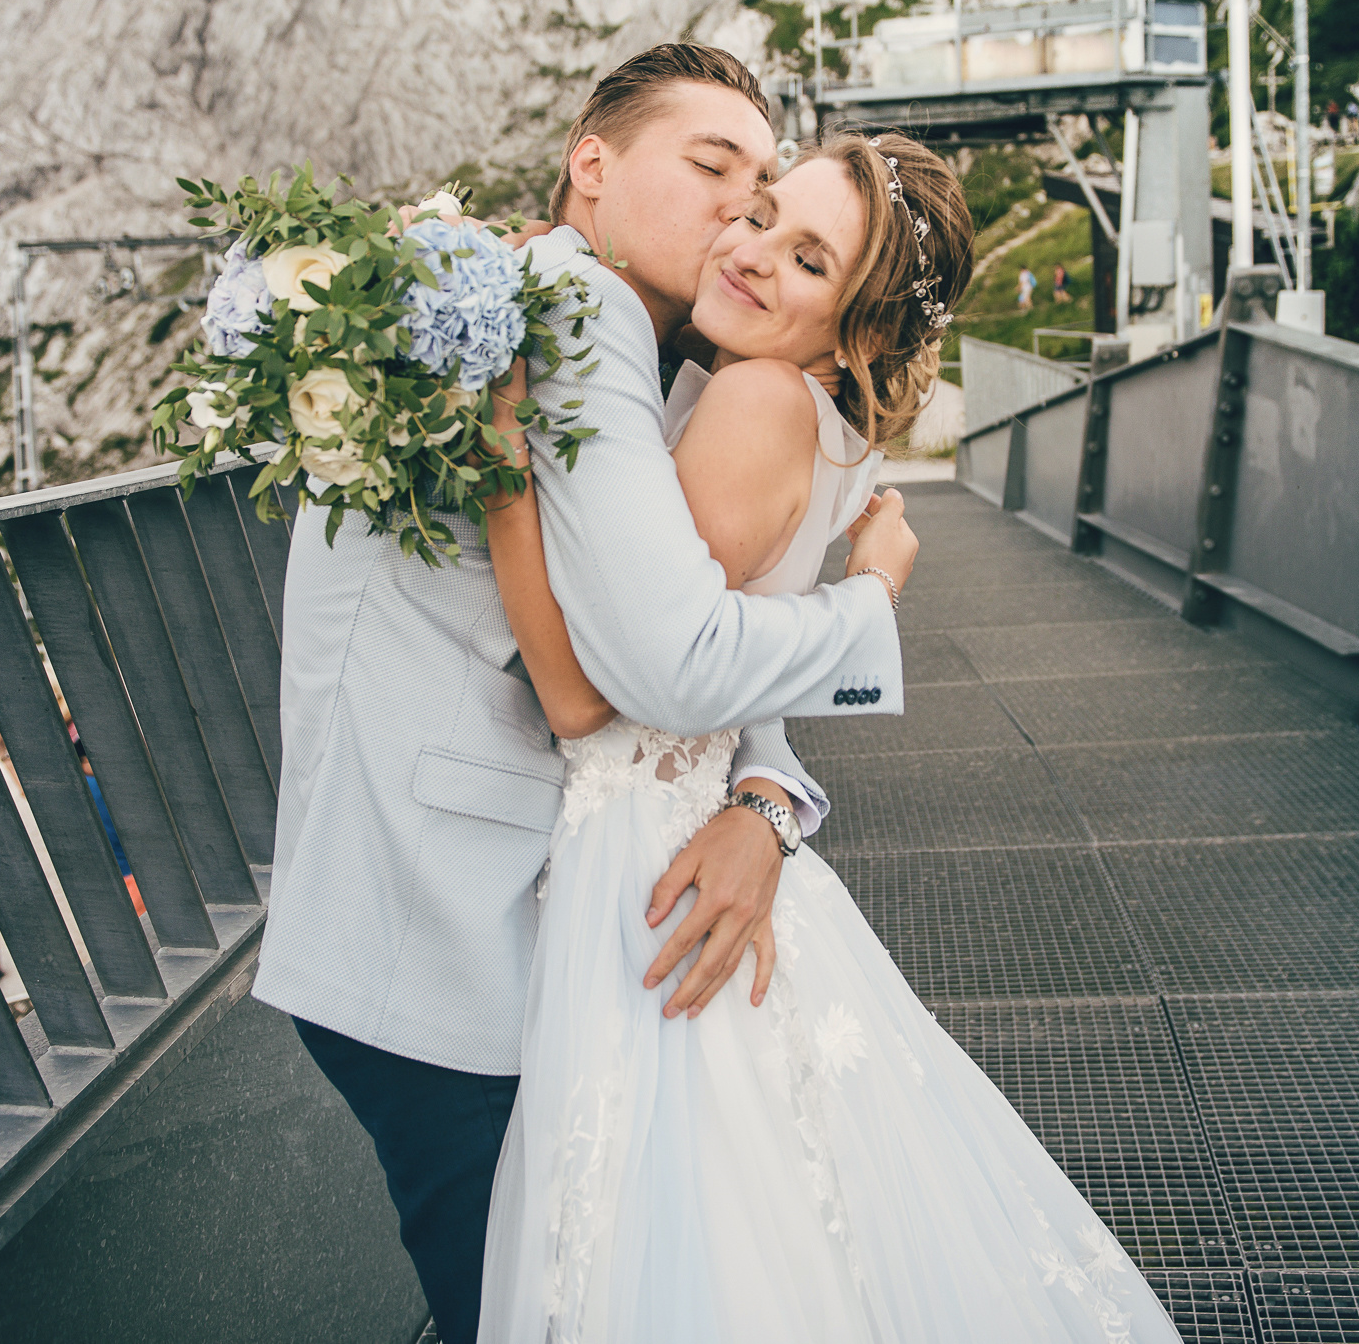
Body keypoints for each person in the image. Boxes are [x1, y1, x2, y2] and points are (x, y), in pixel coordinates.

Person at [254, 46, 913, 1344]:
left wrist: (770, 800)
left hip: (481, 915)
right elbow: (666, 664)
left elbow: (683, 620)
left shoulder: (631, 339)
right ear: (590, 168)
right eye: (716, 172)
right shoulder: (569, 309)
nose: (742, 216)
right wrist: (873, 603)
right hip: (441, 922)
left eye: (767, 194)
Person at [476, 131, 1177, 1341]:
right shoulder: (819, 416)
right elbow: (736, 645)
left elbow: (610, 684)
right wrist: (769, 792)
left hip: (642, 854)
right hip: (693, 826)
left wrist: (497, 454)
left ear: (855, 326)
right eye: (755, 216)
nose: (748, 253)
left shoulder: (750, 395)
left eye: (806, 258)